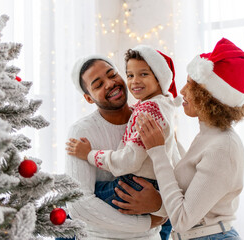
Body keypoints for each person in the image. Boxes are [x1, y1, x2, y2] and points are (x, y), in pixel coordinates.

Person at [113, 38, 244, 240]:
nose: (181, 91)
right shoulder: (207, 137)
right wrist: (157, 203)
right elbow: (187, 204)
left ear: (209, 95)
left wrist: (158, 152)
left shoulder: (223, 147)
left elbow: (182, 219)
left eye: (190, 84)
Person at [66, 45, 182, 240]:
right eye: (98, 84)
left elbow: (177, 172)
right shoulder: (81, 132)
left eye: (112, 75)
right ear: (88, 98)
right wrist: (146, 222)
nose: (110, 84)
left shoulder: (146, 117)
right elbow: (78, 205)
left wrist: (159, 205)